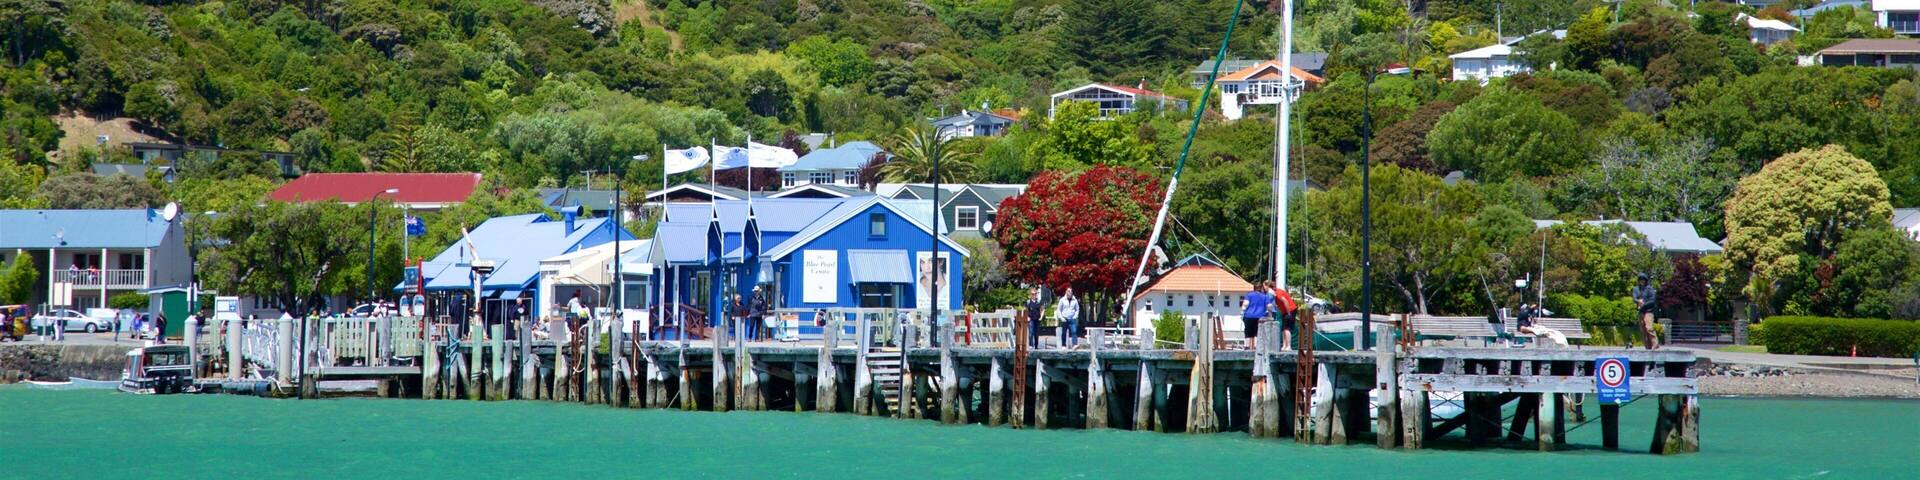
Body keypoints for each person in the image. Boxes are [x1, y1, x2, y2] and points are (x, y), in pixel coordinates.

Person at [1632, 274, 1660, 349]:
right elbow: (1634, 298)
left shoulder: (1649, 289)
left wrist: (1644, 304)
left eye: (1643, 280)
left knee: (1649, 328)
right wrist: (1638, 301)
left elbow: (1652, 300)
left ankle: (1655, 345)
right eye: (1640, 280)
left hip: (1648, 311)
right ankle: (1647, 347)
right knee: (1643, 330)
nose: (1642, 281)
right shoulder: (1635, 289)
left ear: (1646, 281)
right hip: (1640, 312)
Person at [1241, 282, 1271, 349]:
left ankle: (1247, 346)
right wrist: (1270, 315)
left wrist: (1242, 311)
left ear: (1254, 288)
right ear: (1261, 288)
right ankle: (1255, 347)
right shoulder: (1265, 296)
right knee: (1256, 332)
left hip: (1249, 316)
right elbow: (1269, 306)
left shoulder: (1249, 295)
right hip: (1260, 317)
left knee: (1248, 332)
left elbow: (1245, 304)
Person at [1270, 282, 1299, 351]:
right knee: (1283, 328)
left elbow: (1285, 301)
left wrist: (1288, 313)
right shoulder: (1275, 293)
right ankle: (1284, 345)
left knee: (1287, 328)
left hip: (1290, 310)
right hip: (1285, 311)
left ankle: (1288, 346)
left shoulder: (1277, 293)